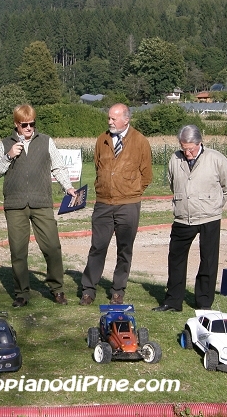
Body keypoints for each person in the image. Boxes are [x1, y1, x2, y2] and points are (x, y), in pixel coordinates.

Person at [0, 104, 76, 307]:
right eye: (24, 124)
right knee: (18, 251)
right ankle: (21, 293)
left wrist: (68, 188)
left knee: (52, 247)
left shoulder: (46, 141)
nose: (29, 128)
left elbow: (58, 167)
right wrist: (9, 156)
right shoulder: (5, 144)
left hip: (41, 202)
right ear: (16, 124)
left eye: (32, 124)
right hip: (15, 204)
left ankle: (57, 289)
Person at [152, 124, 227, 312]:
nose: (187, 153)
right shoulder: (174, 158)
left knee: (208, 260)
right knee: (176, 259)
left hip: (209, 217)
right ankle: (173, 301)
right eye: (184, 148)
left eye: (190, 149)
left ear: (200, 143)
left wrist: (215, 205)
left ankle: (204, 302)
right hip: (182, 218)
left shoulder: (217, 159)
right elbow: (173, 183)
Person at [79, 103, 153, 306]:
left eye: (114, 118)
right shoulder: (102, 140)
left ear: (126, 119)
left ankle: (118, 291)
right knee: (97, 247)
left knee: (124, 249)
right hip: (103, 203)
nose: (109, 121)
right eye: (109, 118)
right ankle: (88, 290)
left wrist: (131, 191)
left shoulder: (140, 141)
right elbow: (97, 167)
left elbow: (146, 175)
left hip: (128, 204)